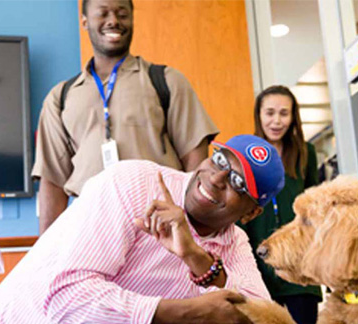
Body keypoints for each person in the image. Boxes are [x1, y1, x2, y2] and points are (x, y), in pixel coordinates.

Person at [0, 135, 285, 323]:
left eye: (238, 183)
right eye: (219, 160)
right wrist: (185, 313)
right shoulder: (132, 183)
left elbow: (263, 317)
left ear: (251, 213)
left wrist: (196, 258)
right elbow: (67, 301)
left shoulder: (234, 242)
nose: (217, 179)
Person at [32, 0, 219, 234]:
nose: (113, 21)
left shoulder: (167, 81)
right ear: (84, 21)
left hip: (160, 229)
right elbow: (52, 181)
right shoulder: (60, 98)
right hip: (91, 229)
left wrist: (193, 235)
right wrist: (45, 256)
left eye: (122, 14)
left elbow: (195, 163)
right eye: (103, 13)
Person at [238, 85, 322, 324]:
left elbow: (312, 207)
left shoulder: (306, 152)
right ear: (259, 115)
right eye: (270, 113)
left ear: (293, 117)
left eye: (284, 113)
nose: (276, 121)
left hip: (300, 268)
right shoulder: (245, 154)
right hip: (259, 266)